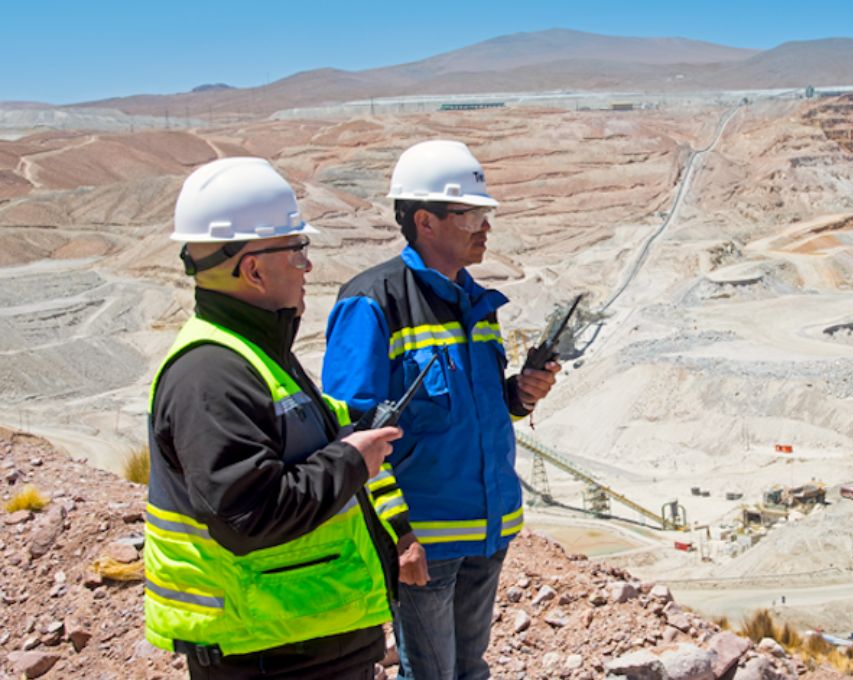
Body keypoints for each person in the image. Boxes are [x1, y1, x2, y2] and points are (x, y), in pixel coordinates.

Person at [143, 157, 404, 679]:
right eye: (297, 250)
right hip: (272, 655)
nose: (307, 266)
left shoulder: (257, 351)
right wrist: (351, 461)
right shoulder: (211, 374)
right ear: (253, 268)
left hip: (301, 639)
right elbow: (248, 514)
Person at [322, 140, 560, 680]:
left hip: (487, 528)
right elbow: (352, 433)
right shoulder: (372, 302)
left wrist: (519, 395)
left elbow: (469, 412)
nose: (485, 228)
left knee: (470, 670)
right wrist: (400, 532)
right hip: (425, 540)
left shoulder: (476, 302)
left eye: (486, 215)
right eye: (472, 214)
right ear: (426, 221)